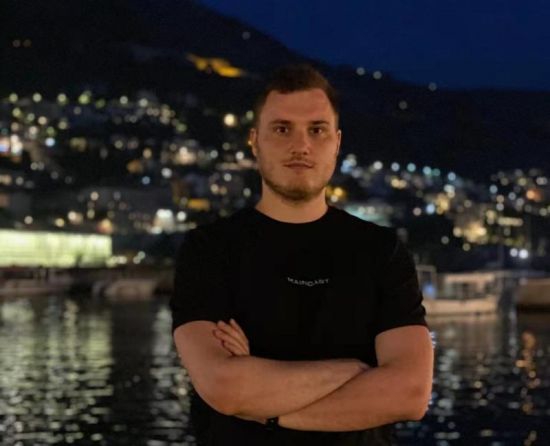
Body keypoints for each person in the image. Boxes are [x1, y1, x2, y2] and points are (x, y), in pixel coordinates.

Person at [170, 64, 434, 445]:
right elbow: (224, 386)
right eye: (282, 129)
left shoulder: (381, 251)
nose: (301, 145)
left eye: (317, 130)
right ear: (254, 141)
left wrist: (262, 407)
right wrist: (355, 370)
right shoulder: (209, 250)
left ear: (336, 142)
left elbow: (409, 394)